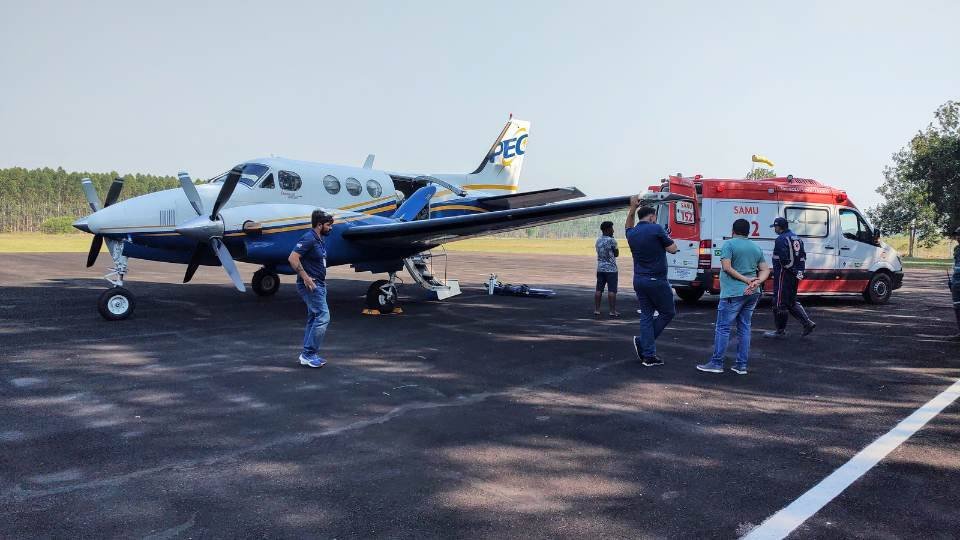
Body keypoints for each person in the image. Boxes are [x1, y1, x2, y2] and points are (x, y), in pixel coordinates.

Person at [697, 219, 771, 375]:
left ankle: (716, 363)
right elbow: (765, 270)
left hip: (733, 293)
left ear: (733, 230)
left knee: (723, 328)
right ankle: (741, 365)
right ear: (748, 232)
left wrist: (746, 280)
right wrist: (757, 281)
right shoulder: (756, 247)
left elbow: (726, 267)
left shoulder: (729, 245)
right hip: (752, 293)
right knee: (744, 328)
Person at [626, 196, 679, 366]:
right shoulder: (656, 228)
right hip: (656, 280)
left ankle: (648, 355)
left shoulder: (631, 233)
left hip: (639, 280)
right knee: (668, 312)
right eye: (654, 217)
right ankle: (644, 343)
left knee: (646, 316)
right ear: (651, 217)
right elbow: (673, 249)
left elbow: (628, 225)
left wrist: (632, 208)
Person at [288, 209, 335, 368]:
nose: (330, 228)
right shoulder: (309, 238)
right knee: (323, 316)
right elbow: (293, 258)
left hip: (319, 284)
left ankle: (307, 354)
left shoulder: (319, 239)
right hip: (310, 285)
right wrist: (306, 278)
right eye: (328, 225)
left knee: (314, 317)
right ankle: (308, 354)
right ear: (319, 225)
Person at [764, 217, 816, 338]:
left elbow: (784, 260)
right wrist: (799, 273)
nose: (774, 229)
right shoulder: (797, 238)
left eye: (775, 227)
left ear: (779, 227)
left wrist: (791, 270)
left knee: (779, 302)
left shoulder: (781, 239)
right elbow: (802, 257)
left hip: (783, 275)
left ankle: (780, 331)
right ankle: (807, 323)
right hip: (794, 275)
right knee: (791, 301)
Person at [594, 220, 620, 318]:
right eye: (612, 228)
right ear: (608, 229)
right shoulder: (612, 240)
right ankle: (612, 311)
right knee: (612, 290)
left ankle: (597, 310)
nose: (613, 231)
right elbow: (616, 254)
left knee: (598, 289)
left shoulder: (598, 240)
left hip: (600, 268)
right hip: (611, 269)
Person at [950, 226, 960, 340]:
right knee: (957, 307)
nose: (958, 237)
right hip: (956, 283)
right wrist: (953, 282)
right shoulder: (957, 249)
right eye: (957, 235)